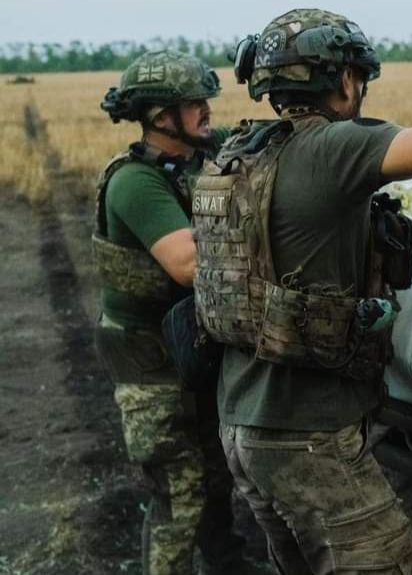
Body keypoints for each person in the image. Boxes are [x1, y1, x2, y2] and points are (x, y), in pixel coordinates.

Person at [195, 8, 412, 574]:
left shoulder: (238, 156)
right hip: (308, 436)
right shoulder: (332, 150)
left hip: (243, 424)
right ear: (345, 80)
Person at [95, 51, 248, 574]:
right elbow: (188, 265)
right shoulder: (136, 182)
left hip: (189, 347)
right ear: (162, 117)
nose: (208, 111)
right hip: (149, 363)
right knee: (178, 498)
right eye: (194, 104)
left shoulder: (194, 159)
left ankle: (228, 564)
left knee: (216, 476)